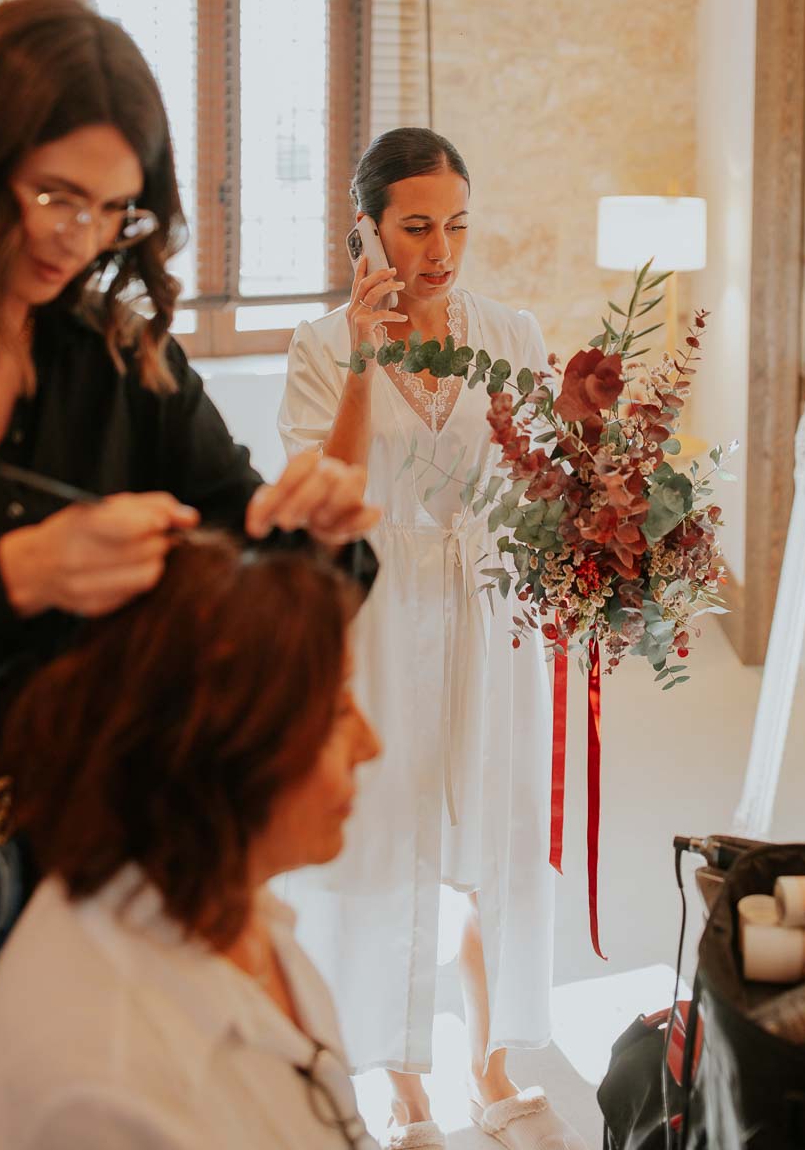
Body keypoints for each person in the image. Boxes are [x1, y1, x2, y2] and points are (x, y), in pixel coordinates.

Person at [0, 0, 378, 1150]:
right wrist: (17, 575)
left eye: (111, 209)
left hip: (68, 871)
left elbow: (257, 553)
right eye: (50, 194)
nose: (76, 238)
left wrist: (317, 527)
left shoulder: (117, 360)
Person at [279, 128, 586, 1150]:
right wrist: (368, 362)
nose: (441, 248)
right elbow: (326, 492)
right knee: (391, 831)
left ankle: (489, 1060)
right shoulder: (320, 348)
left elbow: (547, 483)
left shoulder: (511, 331)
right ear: (364, 230)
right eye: (415, 226)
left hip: (491, 612)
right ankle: (405, 1078)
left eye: (456, 223)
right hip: (377, 612)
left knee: (489, 832)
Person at [0, 528, 383, 1149]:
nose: (371, 745)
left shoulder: (228, 899)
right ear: (226, 743)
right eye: (335, 713)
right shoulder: (103, 1089)